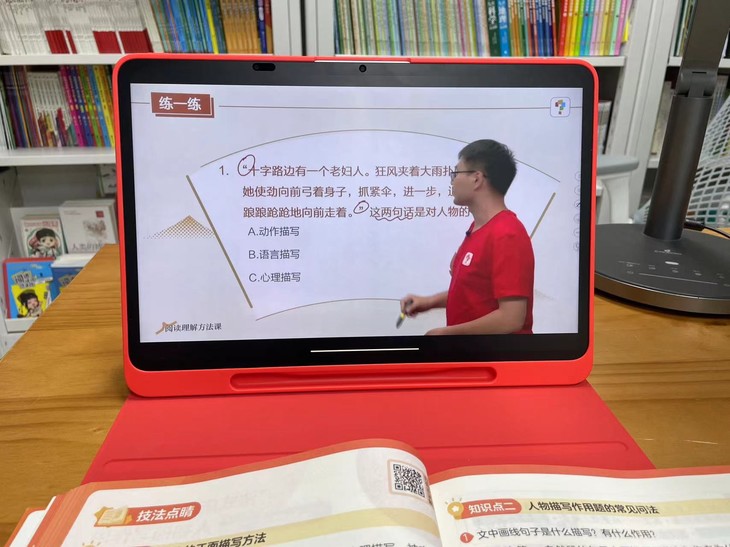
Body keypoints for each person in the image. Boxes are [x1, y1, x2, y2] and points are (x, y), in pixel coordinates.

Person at [400, 139, 534, 335]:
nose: (452, 181)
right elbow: (474, 295)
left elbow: (511, 319)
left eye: (456, 173)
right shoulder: (477, 228)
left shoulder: (507, 234)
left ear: (476, 179)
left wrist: (446, 334)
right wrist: (429, 302)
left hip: (498, 353)